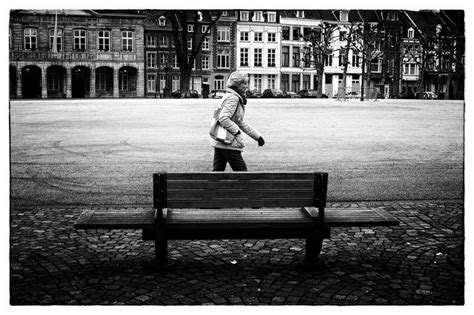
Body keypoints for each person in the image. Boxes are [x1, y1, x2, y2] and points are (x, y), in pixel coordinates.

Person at [210, 71, 265, 171]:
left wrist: (257, 137)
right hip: (228, 143)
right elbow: (223, 118)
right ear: (237, 85)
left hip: (220, 141)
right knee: (242, 174)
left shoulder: (230, 96)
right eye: (244, 83)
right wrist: (236, 131)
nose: (246, 86)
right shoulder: (233, 98)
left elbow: (239, 121)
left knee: (217, 175)